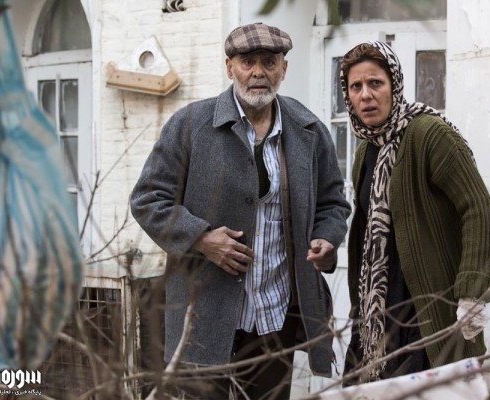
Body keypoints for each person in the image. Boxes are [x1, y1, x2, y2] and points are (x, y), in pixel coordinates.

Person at [130, 22, 351, 400]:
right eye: (247, 62)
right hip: (204, 317)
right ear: (229, 67)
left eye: (269, 62)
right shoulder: (190, 125)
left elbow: (333, 202)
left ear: (284, 69)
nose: (258, 72)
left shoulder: (309, 129)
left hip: (275, 318)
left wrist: (327, 238)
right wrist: (200, 238)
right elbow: (147, 199)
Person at [339, 41, 490, 384]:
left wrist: (472, 290)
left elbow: (477, 206)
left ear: (394, 85)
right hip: (380, 311)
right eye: (355, 86)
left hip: (428, 306)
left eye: (375, 83)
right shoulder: (366, 149)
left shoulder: (429, 134)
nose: (366, 95)